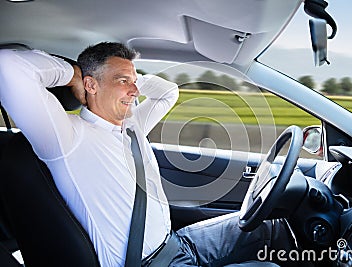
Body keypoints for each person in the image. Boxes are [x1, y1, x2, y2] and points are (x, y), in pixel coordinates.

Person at [0, 42, 295, 267]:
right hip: (148, 263)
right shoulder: (65, 136)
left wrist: (130, 77)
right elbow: (8, 66)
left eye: (135, 81)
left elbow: (169, 92)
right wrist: (74, 76)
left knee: (274, 228)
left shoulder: (132, 125)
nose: (135, 90)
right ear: (91, 85)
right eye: (122, 81)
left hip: (177, 243)